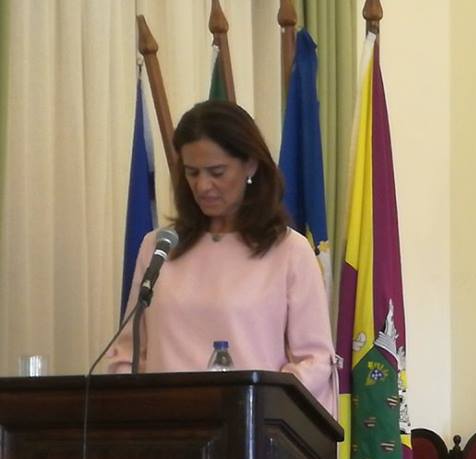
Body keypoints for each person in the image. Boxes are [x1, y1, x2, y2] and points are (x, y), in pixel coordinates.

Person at [107, 100, 336, 413]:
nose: (203, 186)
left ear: (250, 166)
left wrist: (258, 407)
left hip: (252, 426)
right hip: (165, 428)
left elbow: (315, 361)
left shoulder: (289, 250)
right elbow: (127, 356)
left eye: (217, 172)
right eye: (192, 173)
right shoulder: (159, 247)